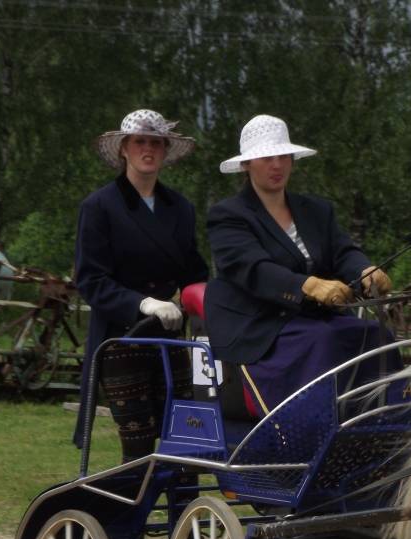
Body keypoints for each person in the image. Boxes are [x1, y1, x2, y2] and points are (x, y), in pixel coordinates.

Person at [204, 114, 394, 419]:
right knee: (323, 340)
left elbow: (344, 252)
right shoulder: (227, 215)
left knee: (377, 336)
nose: (277, 165)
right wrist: (307, 286)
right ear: (246, 165)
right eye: (266, 158)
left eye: (283, 156)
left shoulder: (317, 210)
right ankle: (317, 425)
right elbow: (252, 268)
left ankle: (383, 422)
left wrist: (363, 271)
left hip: (313, 319)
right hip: (260, 325)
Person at [72, 109, 209, 461]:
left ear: (165, 150)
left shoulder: (180, 208)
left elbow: (195, 272)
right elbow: (90, 279)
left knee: (189, 438)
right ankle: (131, 498)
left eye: (156, 143)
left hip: (170, 337)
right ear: (124, 149)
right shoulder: (99, 206)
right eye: (139, 142)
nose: (148, 149)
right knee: (139, 443)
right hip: (121, 339)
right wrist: (143, 303)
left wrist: (205, 304)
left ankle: (178, 497)